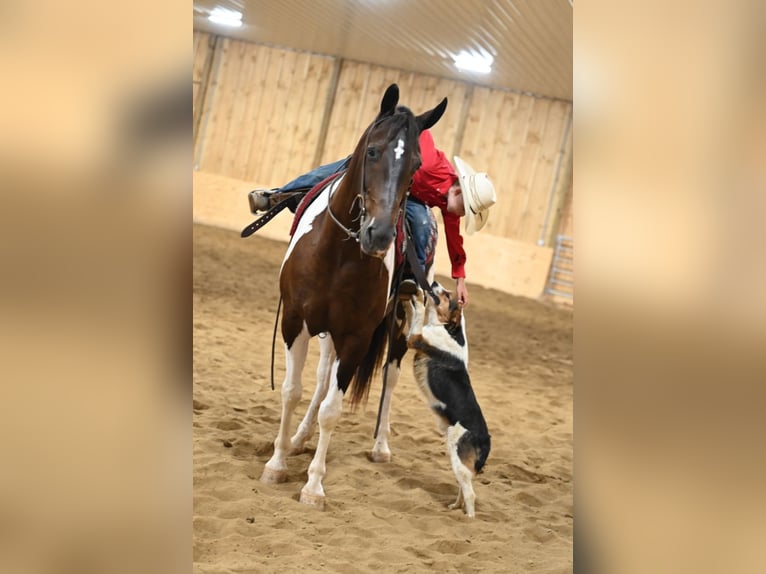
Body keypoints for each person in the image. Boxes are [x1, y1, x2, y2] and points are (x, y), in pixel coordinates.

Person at [248, 130, 496, 307]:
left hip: (410, 198)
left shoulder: (448, 203)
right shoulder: (431, 165)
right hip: (386, 174)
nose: (460, 216)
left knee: (422, 225)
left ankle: (410, 278)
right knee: (333, 172)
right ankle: (277, 196)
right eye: (465, 209)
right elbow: (422, 134)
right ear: (457, 190)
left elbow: (455, 241)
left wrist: (460, 280)